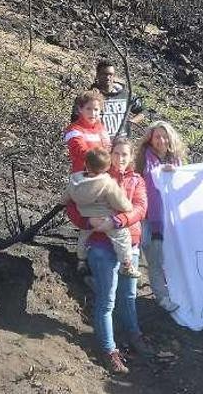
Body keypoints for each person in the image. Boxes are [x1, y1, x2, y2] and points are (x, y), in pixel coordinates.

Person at [65, 138, 151, 374]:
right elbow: (71, 204)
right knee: (107, 299)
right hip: (101, 245)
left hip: (129, 244)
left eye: (125, 154)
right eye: (117, 153)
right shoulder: (95, 177)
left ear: (131, 157)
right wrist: (86, 221)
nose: (121, 158)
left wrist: (117, 220)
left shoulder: (136, 180)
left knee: (129, 294)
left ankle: (134, 335)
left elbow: (140, 208)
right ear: (109, 154)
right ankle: (108, 349)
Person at [64, 147, 139, 279]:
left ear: (86, 164)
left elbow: (66, 197)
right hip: (105, 217)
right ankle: (126, 264)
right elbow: (119, 202)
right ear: (106, 167)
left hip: (86, 216)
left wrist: (61, 202)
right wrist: (128, 207)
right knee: (122, 237)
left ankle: (81, 260)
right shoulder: (107, 184)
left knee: (83, 237)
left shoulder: (75, 181)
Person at [136, 121, 186, 313]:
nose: (161, 140)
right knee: (154, 260)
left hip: (172, 221)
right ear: (151, 138)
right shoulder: (143, 159)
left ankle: (175, 293)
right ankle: (162, 298)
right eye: (157, 136)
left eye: (164, 136)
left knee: (172, 260)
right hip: (149, 218)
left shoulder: (178, 162)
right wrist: (159, 173)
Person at [72, 59, 145, 138]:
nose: (108, 77)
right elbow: (75, 120)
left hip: (121, 145)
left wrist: (132, 122)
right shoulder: (88, 96)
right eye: (104, 74)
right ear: (97, 75)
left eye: (111, 74)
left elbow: (143, 111)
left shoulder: (125, 94)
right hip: (98, 144)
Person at [65, 90, 111, 173]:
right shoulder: (74, 130)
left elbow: (108, 148)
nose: (93, 113)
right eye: (88, 109)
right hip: (83, 175)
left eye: (96, 109)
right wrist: (101, 159)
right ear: (80, 109)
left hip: (103, 174)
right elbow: (81, 150)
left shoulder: (101, 128)